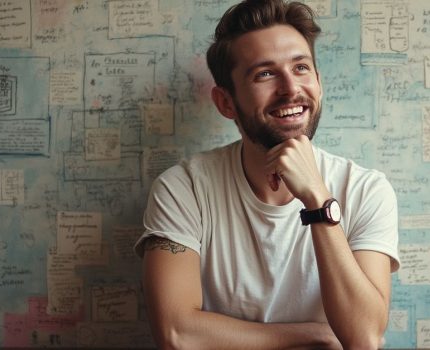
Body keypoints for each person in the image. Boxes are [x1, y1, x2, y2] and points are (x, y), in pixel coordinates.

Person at [135, 0, 400, 348]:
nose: (291, 89)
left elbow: (363, 337)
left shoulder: (366, 190)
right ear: (226, 102)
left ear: (318, 82)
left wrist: (318, 201)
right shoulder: (182, 189)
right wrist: (317, 335)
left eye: (301, 68)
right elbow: (176, 334)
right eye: (265, 74)